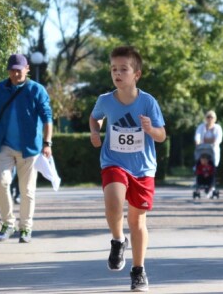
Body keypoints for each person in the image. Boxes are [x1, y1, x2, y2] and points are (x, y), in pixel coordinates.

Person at [89, 46, 166, 292]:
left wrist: (150, 130)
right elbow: (96, 116)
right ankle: (117, 240)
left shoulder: (148, 102)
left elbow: (162, 135)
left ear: (137, 75)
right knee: (113, 200)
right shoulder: (105, 100)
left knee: (137, 221)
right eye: (114, 69)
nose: (117, 73)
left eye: (124, 69)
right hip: (114, 161)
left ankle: (138, 270)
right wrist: (95, 130)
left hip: (143, 168)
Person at [0, 53, 53, 243]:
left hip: (30, 148)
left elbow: (47, 119)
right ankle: (8, 224)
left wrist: (47, 143)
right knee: (0, 182)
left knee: (27, 190)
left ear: (27, 69)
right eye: (12, 70)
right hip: (4, 145)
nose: (15, 73)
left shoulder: (37, 90)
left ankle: (26, 228)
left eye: (19, 70)